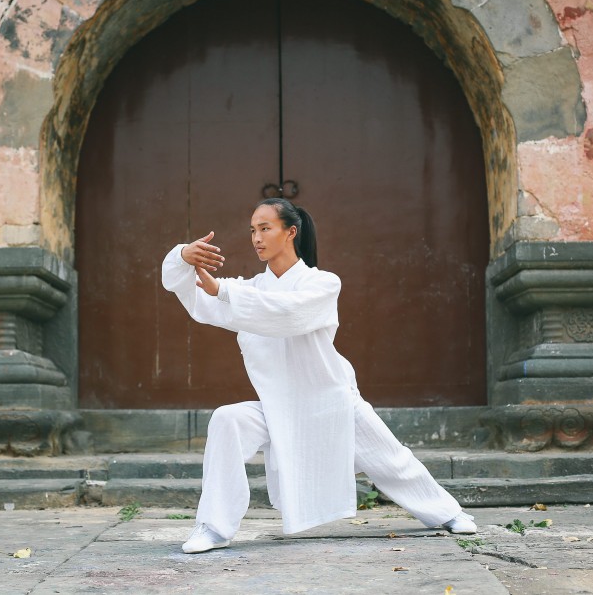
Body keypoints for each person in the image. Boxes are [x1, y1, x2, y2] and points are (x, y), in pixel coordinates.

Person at [161, 197, 476, 554]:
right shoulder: (248, 289)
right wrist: (182, 256)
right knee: (227, 420)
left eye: (265, 228)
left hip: (330, 400)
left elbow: (286, 314)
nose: (256, 238)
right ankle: (214, 528)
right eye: (252, 230)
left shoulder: (322, 284)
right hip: (278, 406)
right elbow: (194, 296)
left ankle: (447, 513)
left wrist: (225, 292)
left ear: (290, 232)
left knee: (391, 460)